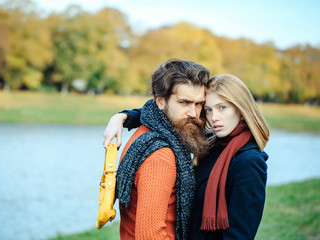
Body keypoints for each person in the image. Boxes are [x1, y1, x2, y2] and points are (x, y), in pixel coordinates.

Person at [103, 74, 270, 240]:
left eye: (222, 107)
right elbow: (168, 114)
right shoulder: (210, 143)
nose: (214, 118)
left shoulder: (249, 162)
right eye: (208, 110)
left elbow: (239, 236)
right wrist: (123, 117)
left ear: (241, 109)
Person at [113, 58, 211, 240]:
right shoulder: (160, 155)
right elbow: (150, 236)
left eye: (199, 104)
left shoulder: (147, 131)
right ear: (160, 101)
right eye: (184, 103)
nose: (194, 113)